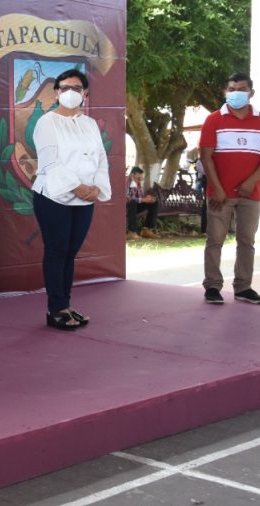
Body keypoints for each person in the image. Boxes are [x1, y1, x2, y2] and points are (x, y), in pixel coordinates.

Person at [31, 69, 111, 329]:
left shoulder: (89, 123)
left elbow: (100, 158)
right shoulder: (47, 122)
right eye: (64, 88)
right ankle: (56, 309)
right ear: (56, 92)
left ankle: (66, 304)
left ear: (85, 94)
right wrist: (78, 187)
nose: (70, 93)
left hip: (86, 197)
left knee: (70, 254)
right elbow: (50, 161)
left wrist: (96, 187)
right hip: (53, 196)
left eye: (76, 88)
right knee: (57, 251)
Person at [199, 72, 260, 305]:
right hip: (219, 195)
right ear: (225, 92)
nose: (235, 94)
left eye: (241, 89)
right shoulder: (213, 119)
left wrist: (251, 181)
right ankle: (212, 286)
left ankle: (243, 287)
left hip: (251, 195)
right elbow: (206, 156)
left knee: (247, 241)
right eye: (231, 89)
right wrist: (218, 188)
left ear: (251, 93)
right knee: (215, 240)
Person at [126, 166, 159, 240]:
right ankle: (132, 232)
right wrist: (143, 200)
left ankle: (147, 230)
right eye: (138, 178)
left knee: (154, 203)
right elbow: (127, 199)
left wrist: (148, 198)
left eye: (141, 178)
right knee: (132, 202)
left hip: (134, 206)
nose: (140, 180)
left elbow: (140, 196)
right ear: (132, 175)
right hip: (125, 207)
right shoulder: (126, 182)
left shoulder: (137, 183)